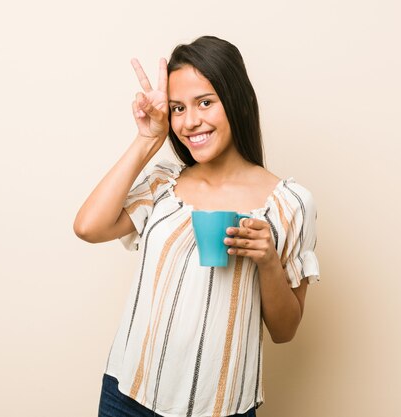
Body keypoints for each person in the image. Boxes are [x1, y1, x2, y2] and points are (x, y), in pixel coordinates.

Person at [73, 35, 320, 417]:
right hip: (127, 396)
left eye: (205, 102)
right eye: (177, 108)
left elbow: (285, 332)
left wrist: (268, 261)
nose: (190, 122)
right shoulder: (163, 185)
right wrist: (147, 139)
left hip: (222, 408)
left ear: (236, 100)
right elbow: (88, 227)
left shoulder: (289, 203)